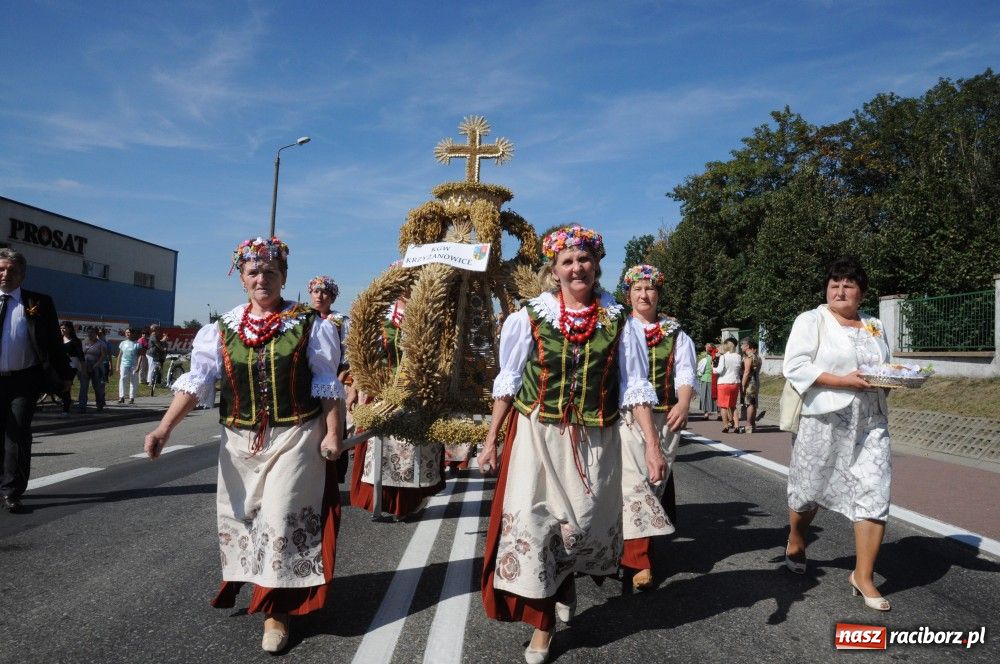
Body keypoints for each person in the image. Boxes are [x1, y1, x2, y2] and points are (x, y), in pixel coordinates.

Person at [143, 237, 344, 652]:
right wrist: (164, 429)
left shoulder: (311, 324)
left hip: (295, 436)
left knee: (281, 518)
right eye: (253, 272)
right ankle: (271, 595)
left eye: (270, 272)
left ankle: (276, 614)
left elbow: (328, 386)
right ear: (242, 278)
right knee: (248, 521)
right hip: (238, 442)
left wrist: (333, 432)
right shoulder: (221, 329)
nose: (262, 279)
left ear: (284, 277)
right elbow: (196, 383)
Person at [478, 226, 664, 664]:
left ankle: (564, 582)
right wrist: (490, 442)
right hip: (536, 436)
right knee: (535, 523)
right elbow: (506, 384)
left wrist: (653, 447)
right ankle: (541, 628)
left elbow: (636, 387)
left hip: (595, 441)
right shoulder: (529, 317)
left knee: (576, 528)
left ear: (597, 266)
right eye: (567, 261)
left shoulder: (620, 321)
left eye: (583, 260)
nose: (576, 267)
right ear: (554, 270)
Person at [783, 258, 891, 611]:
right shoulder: (812, 320)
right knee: (808, 489)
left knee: (874, 491)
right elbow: (795, 366)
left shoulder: (874, 325)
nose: (840, 290)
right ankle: (797, 537)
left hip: (870, 421)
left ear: (861, 292)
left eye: (848, 285)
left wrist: (893, 378)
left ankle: (863, 575)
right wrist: (843, 380)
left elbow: (882, 366)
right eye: (834, 284)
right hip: (824, 418)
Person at [618, 264, 697, 591]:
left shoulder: (676, 333)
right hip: (629, 416)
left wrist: (683, 403)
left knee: (654, 482)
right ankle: (638, 560)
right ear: (629, 294)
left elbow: (685, 373)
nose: (643, 294)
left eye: (649, 289)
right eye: (637, 289)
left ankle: (638, 549)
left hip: (666, 416)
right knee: (633, 482)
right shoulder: (620, 329)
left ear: (658, 294)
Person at [349, 288, 445, 519]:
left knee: (414, 447)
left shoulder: (430, 315)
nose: (406, 290)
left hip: (417, 392)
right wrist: (356, 389)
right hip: (382, 391)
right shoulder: (381, 318)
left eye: (413, 283)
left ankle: (409, 503)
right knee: (382, 446)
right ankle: (382, 501)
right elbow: (364, 357)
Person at [0, 247, 73, 513]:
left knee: (17, 434)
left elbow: (54, 342)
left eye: (12, 270)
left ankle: (11, 491)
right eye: (1, 269)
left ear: (22, 275)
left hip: (24, 380)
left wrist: (65, 375)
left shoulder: (38, 303)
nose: (6, 274)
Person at [308, 275, 352, 483]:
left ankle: (333, 475)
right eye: (316, 291)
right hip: (308, 387)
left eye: (325, 292)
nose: (320, 296)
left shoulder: (340, 322)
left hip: (334, 384)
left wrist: (339, 380)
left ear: (332, 298)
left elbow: (349, 357)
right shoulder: (304, 320)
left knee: (334, 427)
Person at [712, 338, 742, 433]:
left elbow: (719, 370)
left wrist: (713, 368)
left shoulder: (724, 356)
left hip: (723, 383)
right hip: (735, 383)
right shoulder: (738, 356)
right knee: (733, 406)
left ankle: (726, 426)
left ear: (727, 345)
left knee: (723, 406)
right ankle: (737, 426)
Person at [78, 327, 107, 413]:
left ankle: (100, 405)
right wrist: (83, 368)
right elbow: (80, 355)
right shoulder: (83, 342)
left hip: (96, 368)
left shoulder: (101, 344)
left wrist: (95, 366)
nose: (90, 334)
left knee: (97, 388)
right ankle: (82, 407)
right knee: (83, 388)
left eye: (92, 333)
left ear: (96, 334)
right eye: (89, 333)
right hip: (84, 368)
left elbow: (103, 356)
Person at [59, 321, 85, 417]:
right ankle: (66, 403)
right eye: (61, 328)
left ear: (69, 329)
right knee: (60, 386)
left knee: (66, 386)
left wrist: (83, 369)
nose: (62, 330)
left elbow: (80, 355)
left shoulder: (75, 341)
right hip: (60, 365)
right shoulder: (58, 340)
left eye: (64, 328)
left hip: (71, 366)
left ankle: (65, 410)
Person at [740, 337, 762, 433]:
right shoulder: (757, 357)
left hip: (750, 382)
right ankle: (752, 424)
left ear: (747, 346)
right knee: (753, 402)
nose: (740, 346)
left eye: (742, 344)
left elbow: (746, 372)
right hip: (756, 381)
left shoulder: (749, 357)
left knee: (749, 403)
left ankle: (748, 425)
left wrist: (743, 384)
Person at [116, 328, 141, 404]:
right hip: (124, 364)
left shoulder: (137, 344)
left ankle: (131, 398)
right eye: (126, 332)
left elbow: (140, 356)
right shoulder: (122, 343)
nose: (127, 334)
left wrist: (138, 366)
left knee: (133, 381)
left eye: (129, 332)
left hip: (134, 365)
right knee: (123, 379)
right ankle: (121, 397)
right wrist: (117, 366)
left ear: (132, 334)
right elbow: (120, 355)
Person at [696, 343, 717, 418]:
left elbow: (699, 371)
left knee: (705, 396)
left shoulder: (704, 359)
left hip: (705, 379)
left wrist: (699, 377)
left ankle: (706, 413)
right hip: (715, 379)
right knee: (715, 396)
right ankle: (719, 413)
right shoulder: (716, 358)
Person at [146, 324, 167, 392]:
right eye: (158, 328)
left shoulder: (154, 335)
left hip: (153, 353)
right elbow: (157, 344)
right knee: (152, 367)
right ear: (155, 329)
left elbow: (158, 342)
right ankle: (150, 382)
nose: (159, 330)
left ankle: (151, 381)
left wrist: (163, 340)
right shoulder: (153, 335)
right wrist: (163, 349)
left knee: (153, 367)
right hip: (151, 353)